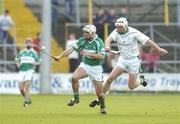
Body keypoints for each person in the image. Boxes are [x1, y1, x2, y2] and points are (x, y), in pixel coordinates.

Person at [89, 17, 168, 108]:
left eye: (120, 27)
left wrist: (158, 49)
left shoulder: (134, 32)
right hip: (122, 59)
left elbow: (148, 41)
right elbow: (108, 39)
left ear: (125, 26)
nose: (118, 28)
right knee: (109, 79)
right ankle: (99, 98)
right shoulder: (116, 31)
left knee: (131, 86)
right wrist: (107, 46)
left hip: (133, 61)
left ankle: (141, 80)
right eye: (117, 26)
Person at [54, 24, 107, 114]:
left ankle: (103, 107)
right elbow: (71, 49)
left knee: (100, 94)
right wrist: (60, 56)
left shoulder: (99, 42)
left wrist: (88, 54)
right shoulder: (82, 40)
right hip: (85, 65)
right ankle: (76, 98)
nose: (84, 34)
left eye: (87, 33)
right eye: (84, 32)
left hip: (96, 68)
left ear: (92, 33)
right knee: (74, 77)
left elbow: (102, 56)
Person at [15, 38, 41, 107]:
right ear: (25, 44)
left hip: (30, 70)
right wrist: (18, 64)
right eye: (27, 42)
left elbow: (40, 60)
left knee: (27, 86)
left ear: (32, 44)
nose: (28, 44)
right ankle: (28, 99)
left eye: (30, 43)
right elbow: (17, 59)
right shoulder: (21, 52)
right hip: (22, 71)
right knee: (21, 89)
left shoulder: (34, 52)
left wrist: (36, 63)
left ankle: (26, 102)